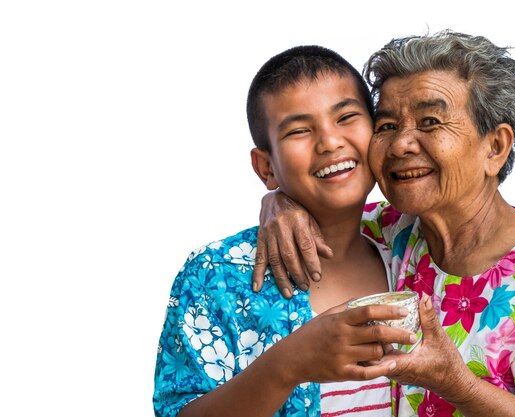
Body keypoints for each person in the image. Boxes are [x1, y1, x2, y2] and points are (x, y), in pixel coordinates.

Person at [253, 31, 515, 417]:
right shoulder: (393, 232)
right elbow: (329, 205)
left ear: (494, 147)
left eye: (430, 121)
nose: (400, 145)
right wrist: (279, 202)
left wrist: (456, 384)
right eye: (387, 125)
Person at [152, 45, 418, 417]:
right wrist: (289, 363)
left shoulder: (414, 244)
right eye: (298, 131)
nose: (329, 141)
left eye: (346, 117)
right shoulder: (215, 276)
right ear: (266, 168)